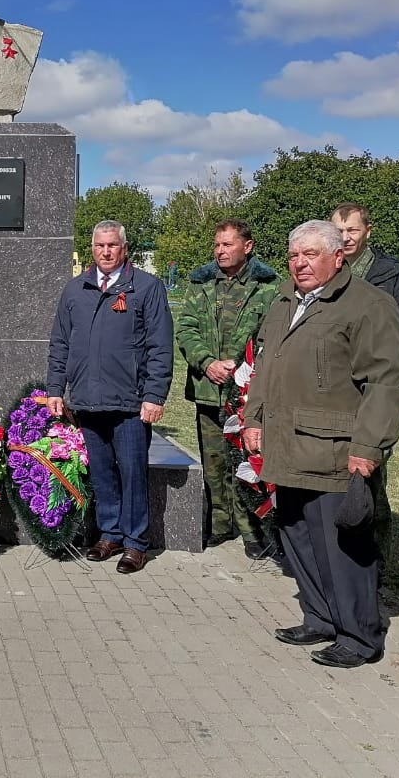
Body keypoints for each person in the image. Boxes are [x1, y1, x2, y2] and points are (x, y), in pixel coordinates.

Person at [244, 220, 399, 668]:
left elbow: (386, 382)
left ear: (338, 257)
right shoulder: (284, 302)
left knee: (343, 545)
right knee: (297, 535)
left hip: (336, 450)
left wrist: (368, 447)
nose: (300, 263)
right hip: (285, 444)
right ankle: (319, 617)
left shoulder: (368, 305)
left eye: (311, 254)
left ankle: (359, 636)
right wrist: (253, 418)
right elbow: (264, 365)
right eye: (294, 254)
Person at [46, 220, 173, 575]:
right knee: (102, 472)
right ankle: (110, 533)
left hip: (130, 403)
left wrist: (154, 394)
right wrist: (55, 389)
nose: (106, 251)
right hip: (88, 399)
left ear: (124, 248)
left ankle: (135, 543)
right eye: (100, 246)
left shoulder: (146, 288)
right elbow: (60, 343)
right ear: (92, 249)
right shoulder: (75, 289)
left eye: (112, 245)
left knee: (132, 473)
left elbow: (159, 347)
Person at [330, 202, 399, 584]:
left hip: (377, 392)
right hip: (336, 392)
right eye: (339, 231)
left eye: (352, 230)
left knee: (369, 480)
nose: (346, 238)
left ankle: (376, 574)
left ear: (368, 231)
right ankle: (337, 565)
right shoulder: (329, 270)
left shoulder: (392, 276)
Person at [174, 219, 279, 557]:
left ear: (247, 246)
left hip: (250, 392)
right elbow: (186, 328)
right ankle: (220, 523)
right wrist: (207, 363)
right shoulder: (201, 282)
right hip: (209, 387)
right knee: (214, 460)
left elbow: (273, 337)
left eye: (227, 245)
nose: (220, 251)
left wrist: (244, 369)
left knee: (249, 459)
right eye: (217, 245)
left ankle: (253, 530)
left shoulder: (269, 285)